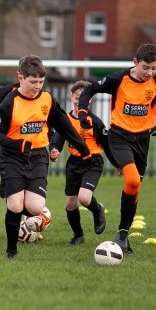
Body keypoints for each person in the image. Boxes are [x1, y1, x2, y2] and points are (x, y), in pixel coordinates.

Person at [77, 43, 156, 255]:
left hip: (142, 140)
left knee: (135, 188)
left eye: (154, 68)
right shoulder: (118, 79)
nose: (150, 73)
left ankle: (123, 234)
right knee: (131, 180)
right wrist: (83, 112)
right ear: (135, 62)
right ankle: (122, 236)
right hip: (119, 137)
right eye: (145, 67)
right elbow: (90, 89)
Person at [0, 55, 88, 259]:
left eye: (41, 82)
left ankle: (19, 206)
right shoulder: (10, 101)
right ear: (21, 77)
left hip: (37, 157)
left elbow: (64, 124)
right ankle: (11, 251)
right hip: (12, 157)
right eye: (33, 81)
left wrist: (82, 146)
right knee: (16, 205)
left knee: (35, 207)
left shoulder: (47, 99)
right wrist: (19, 143)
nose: (37, 86)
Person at [49, 80, 115, 246]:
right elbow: (57, 141)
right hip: (74, 163)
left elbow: (107, 145)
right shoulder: (66, 120)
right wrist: (54, 151)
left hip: (92, 162)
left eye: (84, 97)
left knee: (84, 198)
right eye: (77, 97)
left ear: (90, 99)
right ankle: (78, 235)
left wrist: (117, 163)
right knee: (71, 204)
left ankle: (97, 209)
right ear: (71, 97)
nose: (80, 100)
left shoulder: (95, 122)